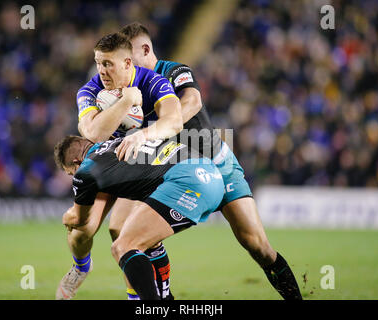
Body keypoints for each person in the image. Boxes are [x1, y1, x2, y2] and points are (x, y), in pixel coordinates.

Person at [119, 22, 302, 300]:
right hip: (181, 174)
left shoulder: (174, 71)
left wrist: (154, 127)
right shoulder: (134, 90)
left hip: (219, 164)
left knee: (257, 245)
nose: (127, 67)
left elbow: (192, 101)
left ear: (145, 49)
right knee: (141, 240)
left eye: (129, 60)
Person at [56, 32, 183, 300]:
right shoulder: (89, 90)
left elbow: (174, 122)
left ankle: (137, 297)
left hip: (141, 164)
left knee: (121, 230)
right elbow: (93, 132)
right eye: (98, 62)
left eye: (108, 64)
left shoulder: (154, 82)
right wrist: (126, 100)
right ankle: (80, 268)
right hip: (104, 164)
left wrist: (142, 135)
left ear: (128, 63)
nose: (101, 70)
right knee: (83, 231)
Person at [54, 135, 225, 300]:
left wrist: (67, 216)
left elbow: (80, 219)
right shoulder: (119, 143)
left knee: (123, 246)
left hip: (188, 181)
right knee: (148, 242)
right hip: (212, 174)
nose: (74, 176)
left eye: (71, 173)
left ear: (76, 162)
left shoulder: (85, 170)